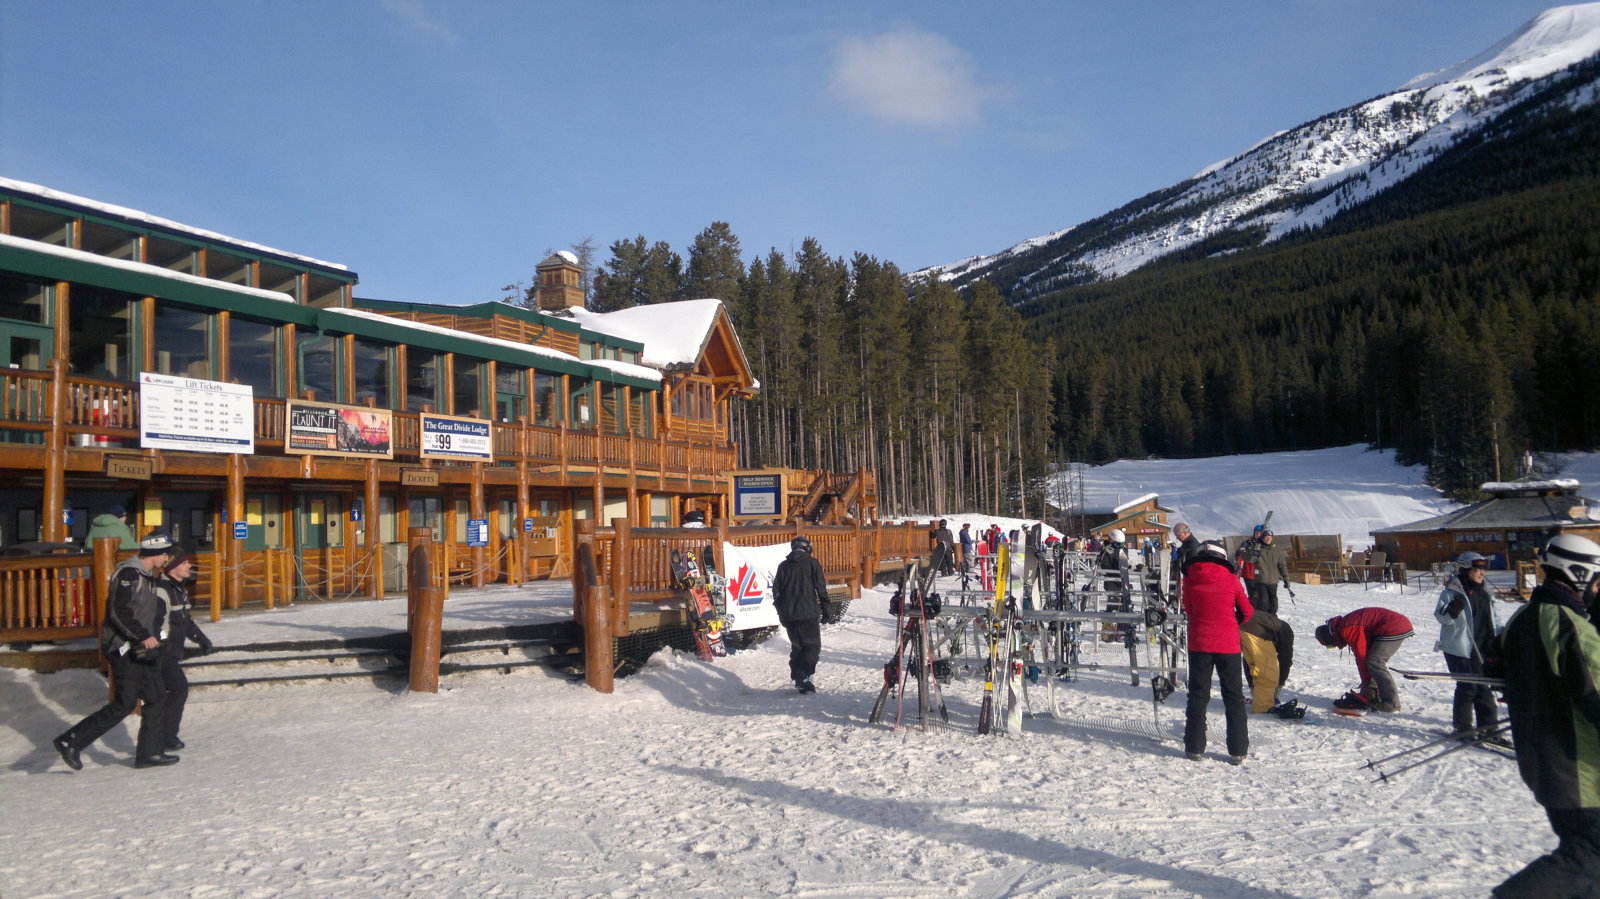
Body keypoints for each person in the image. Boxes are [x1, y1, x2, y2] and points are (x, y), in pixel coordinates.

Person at [1492, 534, 1600, 897]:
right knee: (1591, 855)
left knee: (1587, 868)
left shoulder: (1523, 618)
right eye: (1598, 582)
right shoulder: (1569, 624)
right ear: (1579, 575)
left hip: (1543, 763)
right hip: (1577, 767)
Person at [53, 532, 180, 770]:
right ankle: (71, 740)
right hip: (126, 649)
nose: (168, 558)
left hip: (141, 649)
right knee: (124, 703)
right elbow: (118, 612)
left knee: (156, 697)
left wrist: (155, 638)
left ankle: (149, 754)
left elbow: (146, 613)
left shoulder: (148, 576)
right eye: (167, 553)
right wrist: (142, 636)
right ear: (155, 553)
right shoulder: (129, 574)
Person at [1181, 540, 1253, 763]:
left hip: (1200, 643)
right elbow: (1247, 611)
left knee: (1198, 695)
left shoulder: (1190, 579)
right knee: (1233, 697)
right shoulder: (1231, 579)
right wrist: (1232, 621)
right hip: (1228, 644)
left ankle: (1194, 747)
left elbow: (1189, 609)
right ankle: (1238, 749)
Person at [1433, 551, 1501, 739]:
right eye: (1477, 570)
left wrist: (1502, 637)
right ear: (1465, 570)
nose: (1482, 574)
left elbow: (1496, 619)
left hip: (1482, 647)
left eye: (1483, 570)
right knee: (1468, 686)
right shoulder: (1452, 592)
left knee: (1484, 687)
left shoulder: (1486, 592)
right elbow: (1441, 618)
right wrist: (1452, 611)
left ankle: (1490, 729)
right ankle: (1462, 728)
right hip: (1458, 649)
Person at [154, 547, 214, 752]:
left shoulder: (179, 589)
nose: (189, 565)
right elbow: (156, 624)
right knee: (178, 689)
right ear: (172, 568)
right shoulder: (161, 590)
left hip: (172, 651)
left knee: (171, 693)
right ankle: (164, 737)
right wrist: (161, 646)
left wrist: (200, 638)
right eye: (184, 563)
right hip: (162, 652)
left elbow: (185, 620)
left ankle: (163, 737)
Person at [1314, 607, 1414, 713]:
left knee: (1375, 662)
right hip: (1388, 627)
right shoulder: (1344, 625)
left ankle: (1391, 704)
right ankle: (1374, 696)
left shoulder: (1347, 627)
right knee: (1372, 661)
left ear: (1330, 637)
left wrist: (1366, 682)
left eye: (1331, 645)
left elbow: (1361, 655)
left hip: (1394, 626)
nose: (1336, 646)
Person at [772, 536, 829, 694]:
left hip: (789, 614)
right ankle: (803, 675)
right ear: (808, 548)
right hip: (807, 613)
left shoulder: (783, 566)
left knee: (797, 646)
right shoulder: (812, 563)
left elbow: (776, 590)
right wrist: (826, 610)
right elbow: (821, 588)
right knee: (811, 646)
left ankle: (798, 675)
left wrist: (780, 610)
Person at [1240, 607, 1295, 714]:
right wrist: (1278, 685)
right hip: (1256, 632)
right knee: (1268, 673)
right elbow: (1285, 660)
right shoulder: (1285, 631)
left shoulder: (1270, 622)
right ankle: (1263, 710)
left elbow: (1249, 663)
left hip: (1238, 627)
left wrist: (1252, 686)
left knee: (1256, 665)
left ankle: (1261, 699)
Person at [1250, 528, 1291, 615]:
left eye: (1270, 537)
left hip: (1273, 581)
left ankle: (1273, 619)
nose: (1268, 539)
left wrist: (1286, 578)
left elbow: (1282, 565)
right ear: (1262, 538)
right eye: (1266, 537)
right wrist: (1252, 553)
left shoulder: (1276, 550)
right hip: (1261, 580)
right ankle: (1264, 619)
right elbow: (1247, 558)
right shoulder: (1257, 549)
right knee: (1264, 602)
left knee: (1273, 603)